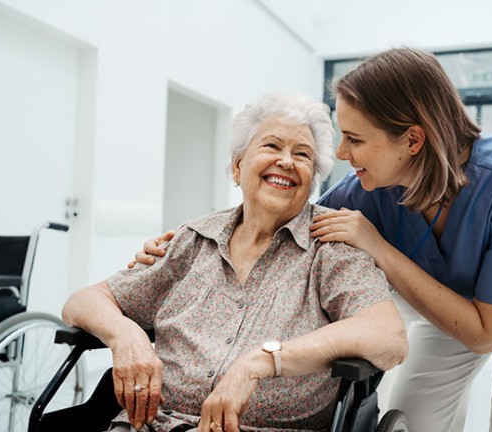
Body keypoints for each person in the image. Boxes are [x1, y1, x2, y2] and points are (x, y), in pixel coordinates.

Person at [133, 47, 492, 432]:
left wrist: (377, 246)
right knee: (421, 418)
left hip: (491, 320)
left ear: (412, 140)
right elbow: (283, 219)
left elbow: (485, 333)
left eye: (355, 139)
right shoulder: (365, 188)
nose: (342, 153)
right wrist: (186, 244)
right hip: (443, 306)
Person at [63, 90, 407, 432]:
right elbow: (83, 301)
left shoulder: (330, 248)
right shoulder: (193, 239)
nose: (286, 161)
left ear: (311, 181)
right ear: (238, 166)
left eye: (302, 154)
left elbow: (388, 335)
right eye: (271, 146)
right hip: (153, 425)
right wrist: (126, 335)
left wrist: (262, 362)